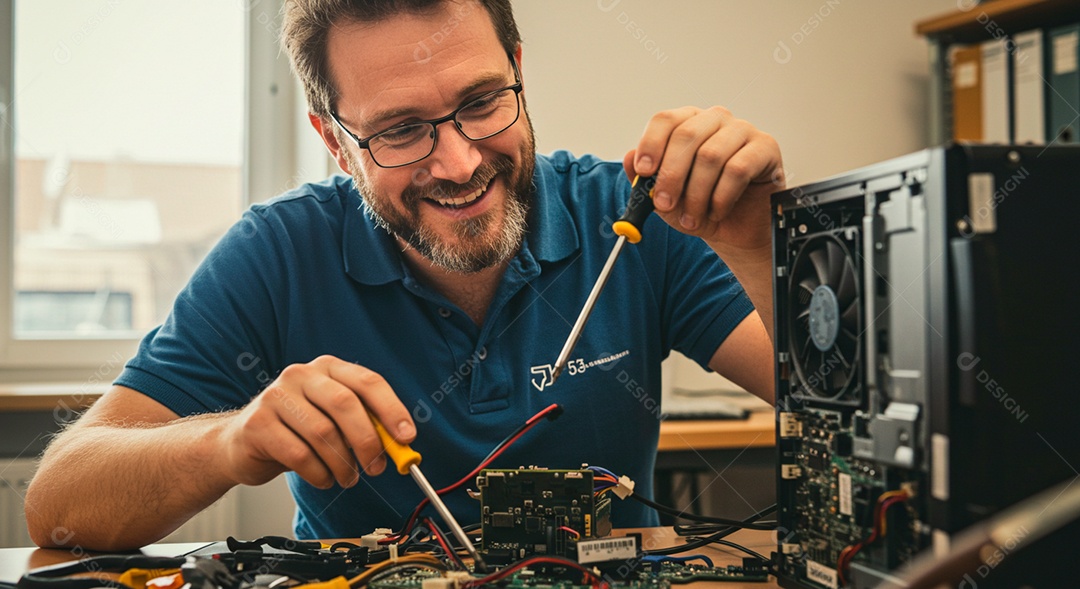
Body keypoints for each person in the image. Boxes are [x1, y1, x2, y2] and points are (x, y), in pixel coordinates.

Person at [25, 0, 782, 551]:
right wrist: (231, 440)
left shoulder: (639, 216)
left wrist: (758, 244)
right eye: (399, 130)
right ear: (334, 141)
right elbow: (58, 504)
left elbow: (841, 409)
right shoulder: (280, 253)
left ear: (519, 72)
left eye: (482, 102)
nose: (459, 163)